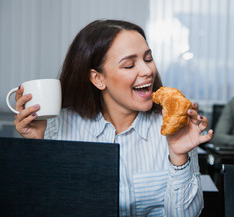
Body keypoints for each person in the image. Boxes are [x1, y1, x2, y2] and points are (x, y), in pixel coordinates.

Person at [12, 19, 213, 216]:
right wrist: (35, 148)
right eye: (129, 65)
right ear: (98, 78)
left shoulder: (174, 127)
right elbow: (45, 206)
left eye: (148, 59)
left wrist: (179, 157)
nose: (147, 71)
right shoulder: (55, 128)